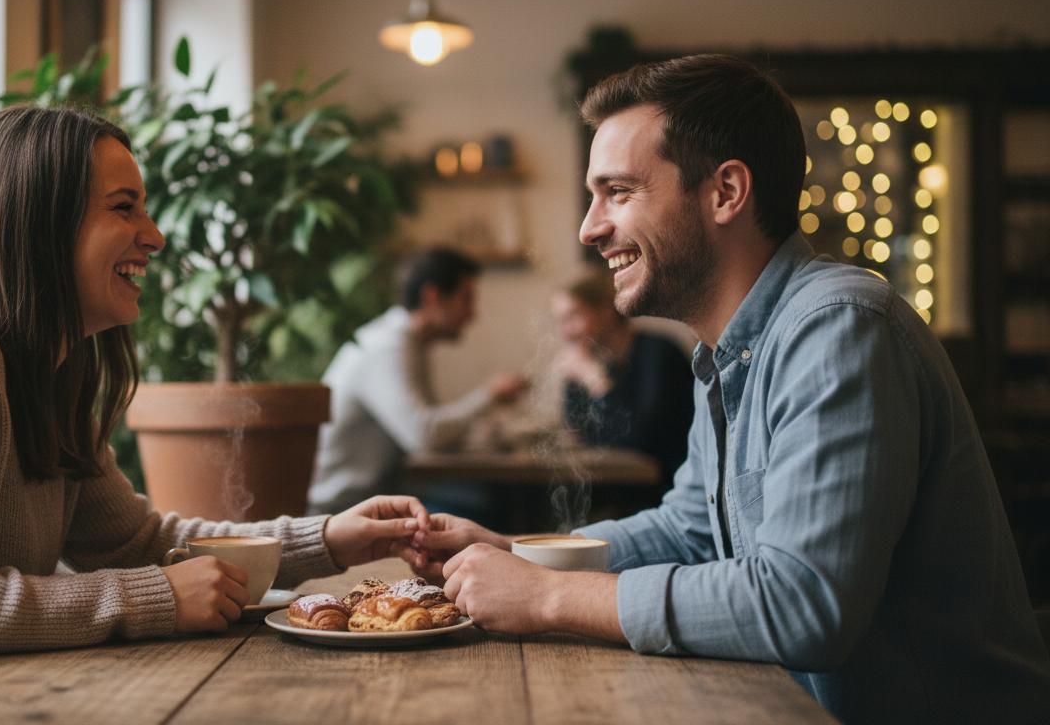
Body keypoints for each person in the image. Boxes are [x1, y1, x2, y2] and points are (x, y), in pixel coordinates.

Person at [0, 106, 430, 722]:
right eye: (125, 208)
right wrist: (156, 599)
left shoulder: (44, 374)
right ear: (39, 224)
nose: (153, 236)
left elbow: (140, 542)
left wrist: (330, 539)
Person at [404, 55, 1050, 723]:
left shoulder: (837, 328)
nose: (589, 227)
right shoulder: (729, 349)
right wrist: (517, 553)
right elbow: (689, 531)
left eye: (618, 192)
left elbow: (802, 603)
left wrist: (547, 598)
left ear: (725, 192)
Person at [307, 248, 529, 515]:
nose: (473, 314)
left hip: (370, 498)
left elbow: (429, 430)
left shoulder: (409, 343)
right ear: (432, 296)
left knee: (496, 499)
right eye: (466, 298)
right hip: (339, 510)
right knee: (492, 504)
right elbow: (424, 436)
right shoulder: (387, 347)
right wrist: (488, 395)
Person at [551, 272, 693, 483]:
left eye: (573, 317)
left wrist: (594, 379)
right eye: (561, 321)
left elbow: (642, 440)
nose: (566, 332)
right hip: (618, 485)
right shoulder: (592, 360)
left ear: (606, 311)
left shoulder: (658, 353)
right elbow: (580, 432)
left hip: (667, 488)